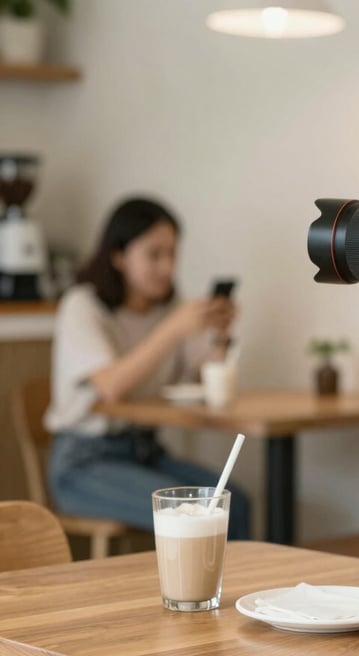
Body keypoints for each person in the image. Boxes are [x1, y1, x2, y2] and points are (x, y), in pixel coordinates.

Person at [45, 197, 251, 540]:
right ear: (118, 256)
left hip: (144, 452)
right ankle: (196, 593)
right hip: (83, 463)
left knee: (236, 502)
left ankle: (239, 592)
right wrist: (172, 329)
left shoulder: (168, 308)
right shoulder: (82, 305)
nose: (167, 267)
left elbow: (202, 379)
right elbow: (111, 386)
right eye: (154, 255)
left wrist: (220, 336)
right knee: (192, 514)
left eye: (172, 254)